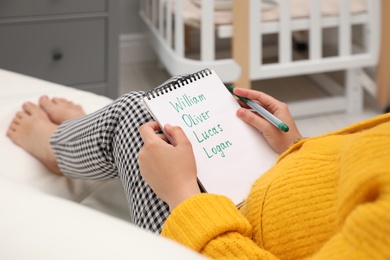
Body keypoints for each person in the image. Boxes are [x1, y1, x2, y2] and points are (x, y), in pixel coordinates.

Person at [7, 85, 390, 259]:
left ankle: (56, 145)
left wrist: (182, 195)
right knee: (176, 100)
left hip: (219, 233)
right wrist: (296, 146)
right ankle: (86, 132)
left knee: (133, 117)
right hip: (261, 186)